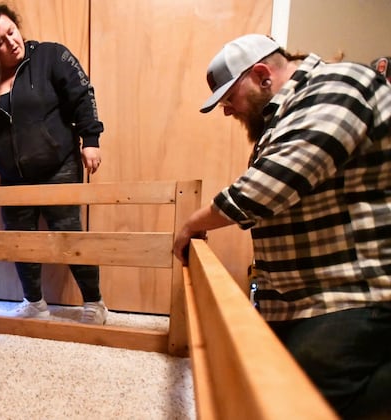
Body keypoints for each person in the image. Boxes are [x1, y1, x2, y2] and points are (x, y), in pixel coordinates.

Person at [173, 34, 391, 418]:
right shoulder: (287, 116)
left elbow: (269, 188)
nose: (227, 112)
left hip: (351, 292)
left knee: (299, 401)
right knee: (270, 382)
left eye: (229, 99)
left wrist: (194, 222)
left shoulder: (340, 84)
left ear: (262, 75)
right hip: (302, 299)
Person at [0, 4, 107, 325]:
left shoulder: (50, 56)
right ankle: (34, 303)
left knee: (69, 235)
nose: (11, 42)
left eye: (11, 32)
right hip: (13, 178)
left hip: (59, 166)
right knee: (20, 241)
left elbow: (82, 95)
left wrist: (91, 140)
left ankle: (95, 302)